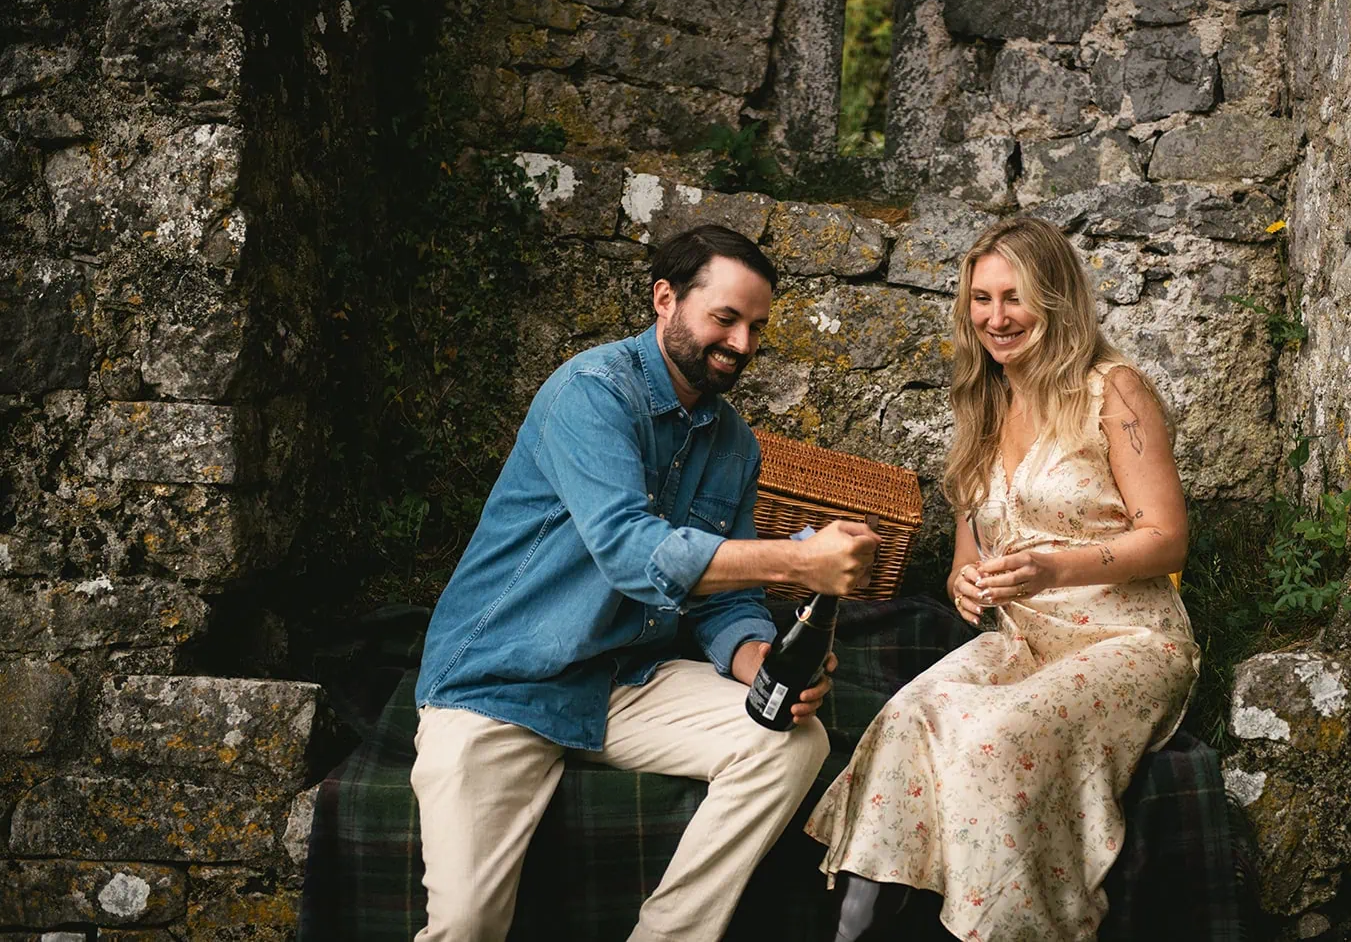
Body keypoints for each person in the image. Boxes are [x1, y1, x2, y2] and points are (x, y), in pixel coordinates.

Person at [411, 224, 881, 942]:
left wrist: (761, 662)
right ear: (665, 299)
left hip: (627, 677)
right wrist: (798, 561)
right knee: (467, 924)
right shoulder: (589, 394)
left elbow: (727, 601)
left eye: (756, 327)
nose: (743, 344)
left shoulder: (735, 445)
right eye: (725, 318)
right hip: (504, 679)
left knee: (791, 739)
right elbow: (634, 552)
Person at [805, 216, 1199, 942]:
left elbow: (1167, 537)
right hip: (1021, 636)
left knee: (995, 735)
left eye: (1014, 297)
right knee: (907, 718)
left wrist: (1056, 566)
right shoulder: (983, 405)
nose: (996, 318)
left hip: (1127, 638)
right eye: (981, 300)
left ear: (1056, 299)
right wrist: (964, 585)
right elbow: (968, 552)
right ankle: (852, 932)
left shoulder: (1113, 392)